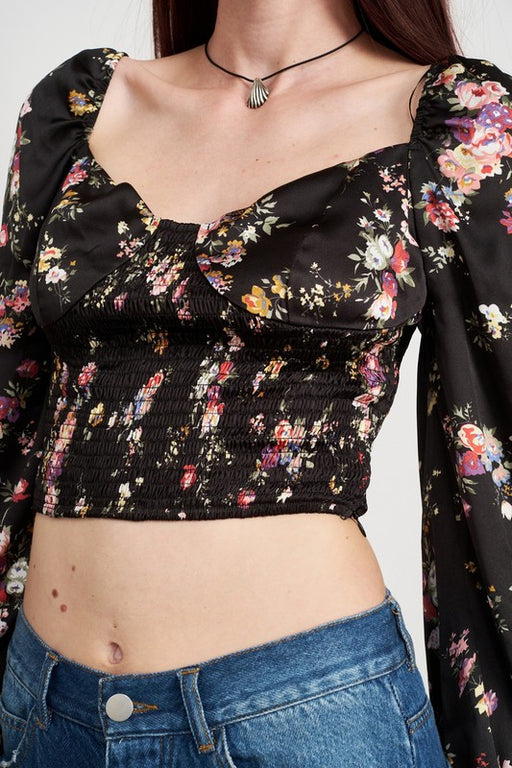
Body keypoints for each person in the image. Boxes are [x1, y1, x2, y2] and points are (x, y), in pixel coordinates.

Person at [0, 0, 511, 764]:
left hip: (303, 719)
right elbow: (11, 413)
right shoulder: (79, 107)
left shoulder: (450, 121)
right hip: (46, 711)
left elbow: (495, 461)